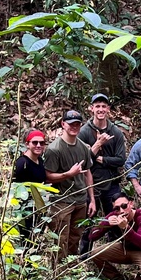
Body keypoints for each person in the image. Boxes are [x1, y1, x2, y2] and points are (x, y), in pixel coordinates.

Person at [44, 110, 96, 260]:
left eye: (77, 124)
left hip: (80, 200)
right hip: (61, 201)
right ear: (63, 124)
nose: (74, 127)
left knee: (75, 237)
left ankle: (71, 270)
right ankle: (58, 274)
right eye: (71, 124)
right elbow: (48, 176)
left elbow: (88, 173)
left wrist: (91, 199)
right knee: (61, 239)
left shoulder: (84, 148)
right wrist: (68, 174)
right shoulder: (54, 149)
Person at [87, 192, 141, 280]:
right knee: (95, 254)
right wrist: (106, 224)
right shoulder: (114, 215)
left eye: (124, 206)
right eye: (117, 208)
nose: (121, 211)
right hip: (125, 248)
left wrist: (126, 228)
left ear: (131, 204)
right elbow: (92, 236)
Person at [77, 93, 128, 216]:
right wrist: (98, 144)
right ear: (92, 108)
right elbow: (81, 161)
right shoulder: (83, 132)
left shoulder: (116, 132)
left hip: (112, 183)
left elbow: (120, 160)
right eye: (97, 106)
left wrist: (101, 159)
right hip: (90, 184)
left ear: (108, 109)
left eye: (104, 106)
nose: (101, 110)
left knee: (115, 219)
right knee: (88, 221)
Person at [12, 129, 48, 242]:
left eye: (42, 143)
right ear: (27, 144)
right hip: (23, 209)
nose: (38, 145)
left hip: (38, 206)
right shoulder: (22, 163)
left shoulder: (40, 160)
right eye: (35, 142)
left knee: (35, 238)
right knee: (25, 238)